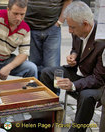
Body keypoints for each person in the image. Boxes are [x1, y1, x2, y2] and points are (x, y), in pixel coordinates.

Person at [40, 1, 105, 132]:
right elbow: (76, 48)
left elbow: (98, 79)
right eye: (69, 26)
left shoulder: (101, 40)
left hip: (97, 83)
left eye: (72, 27)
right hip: (78, 72)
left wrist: (73, 86)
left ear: (86, 24)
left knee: (86, 96)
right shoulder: (77, 29)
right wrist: (73, 55)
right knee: (46, 73)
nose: (70, 31)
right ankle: (50, 116)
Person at [25, 0, 72, 79]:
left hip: (53, 27)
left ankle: (53, 91)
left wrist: (59, 22)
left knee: (52, 68)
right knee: (33, 67)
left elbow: (68, 1)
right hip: (30, 27)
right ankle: (36, 90)